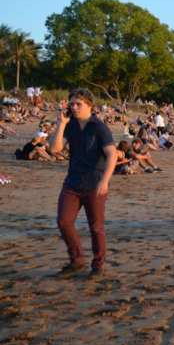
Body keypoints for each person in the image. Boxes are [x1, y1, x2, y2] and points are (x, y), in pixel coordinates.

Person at [50, 88, 117, 279]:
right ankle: (77, 260)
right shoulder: (70, 125)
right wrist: (61, 124)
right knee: (63, 221)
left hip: (95, 183)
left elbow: (112, 154)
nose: (74, 107)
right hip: (72, 182)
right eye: (71, 103)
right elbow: (55, 149)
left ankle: (98, 265)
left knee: (96, 227)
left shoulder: (99, 127)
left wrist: (105, 180)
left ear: (90, 105)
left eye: (78, 104)